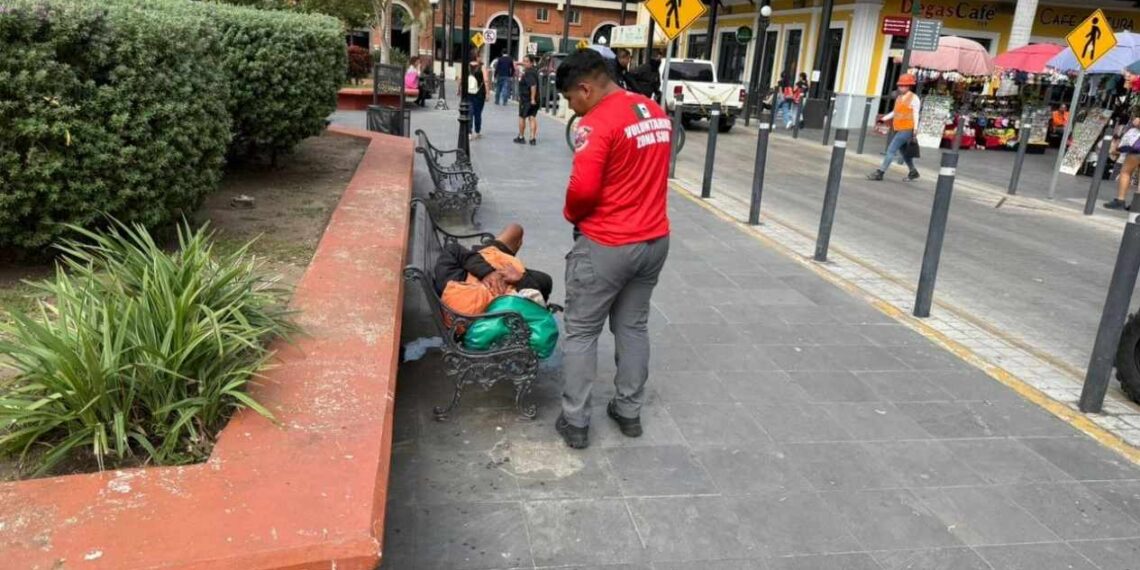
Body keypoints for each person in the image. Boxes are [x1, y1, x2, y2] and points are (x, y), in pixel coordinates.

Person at [553, 50, 671, 449]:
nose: (571, 106)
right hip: (654, 240)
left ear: (586, 88)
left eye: (571, 98)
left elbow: (583, 191)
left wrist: (571, 213)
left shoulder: (596, 122)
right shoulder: (654, 110)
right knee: (633, 325)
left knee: (582, 331)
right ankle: (628, 411)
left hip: (607, 243)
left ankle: (576, 421)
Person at [434, 223, 553, 308]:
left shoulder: (451, 288)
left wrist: (487, 272)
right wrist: (521, 280)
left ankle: (505, 256)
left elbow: (453, 250)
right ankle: (508, 257)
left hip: (483, 263)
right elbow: (535, 303)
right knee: (545, 280)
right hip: (507, 273)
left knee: (515, 230)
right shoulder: (502, 308)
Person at [867, 73, 921, 181]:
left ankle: (880, 173)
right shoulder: (899, 98)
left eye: (904, 85)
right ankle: (913, 171)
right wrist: (883, 119)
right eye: (900, 85)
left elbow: (916, 113)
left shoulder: (914, 98)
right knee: (905, 153)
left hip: (907, 129)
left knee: (891, 150)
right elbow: (894, 112)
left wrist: (915, 129)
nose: (901, 87)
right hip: (899, 128)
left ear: (909, 86)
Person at [1105, 116, 1140, 210]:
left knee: (1125, 172)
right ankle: (1137, 205)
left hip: (1137, 150)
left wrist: (1137, 121)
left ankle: (1120, 201)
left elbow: (1137, 122)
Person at [515, 55, 540, 145]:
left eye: (526, 61)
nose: (524, 63)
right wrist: (518, 63)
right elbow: (526, 63)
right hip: (535, 99)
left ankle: (521, 137)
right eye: (524, 61)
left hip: (527, 99)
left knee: (522, 117)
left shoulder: (528, 73)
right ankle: (532, 138)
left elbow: (533, 85)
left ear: (531, 63)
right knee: (532, 117)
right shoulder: (534, 70)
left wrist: (532, 98)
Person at [462, 56, 489, 139]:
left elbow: (462, 78)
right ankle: (477, 132)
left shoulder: (467, 66)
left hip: (469, 92)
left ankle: (469, 133)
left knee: (469, 112)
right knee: (478, 113)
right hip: (479, 94)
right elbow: (486, 80)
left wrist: (460, 89)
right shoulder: (482, 67)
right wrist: (487, 93)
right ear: (477, 57)